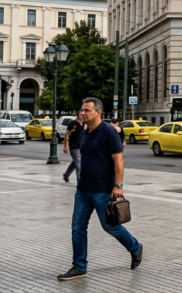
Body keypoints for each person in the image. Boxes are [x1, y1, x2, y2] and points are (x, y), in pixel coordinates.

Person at [58, 97, 142, 281]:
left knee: (110, 227)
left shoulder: (108, 132)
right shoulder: (84, 132)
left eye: (86, 110)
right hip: (83, 190)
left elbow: (118, 160)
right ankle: (79, 267)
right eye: (81, 110)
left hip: (103, 190)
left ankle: (135, 247)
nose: (82, 113)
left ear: (98, 112)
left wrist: (118, 185)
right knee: (78, 228)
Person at [63, 112, 85, 183]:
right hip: (74, 146)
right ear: (78, 115)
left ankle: (66, 174)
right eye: (81, 115)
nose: (83, 116)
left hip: (83, 146)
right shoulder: (73, 123)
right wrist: (66, 145)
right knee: (79, 165)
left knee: (75, 162)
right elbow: (67, 134)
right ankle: (80, 183)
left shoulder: (85, 124)